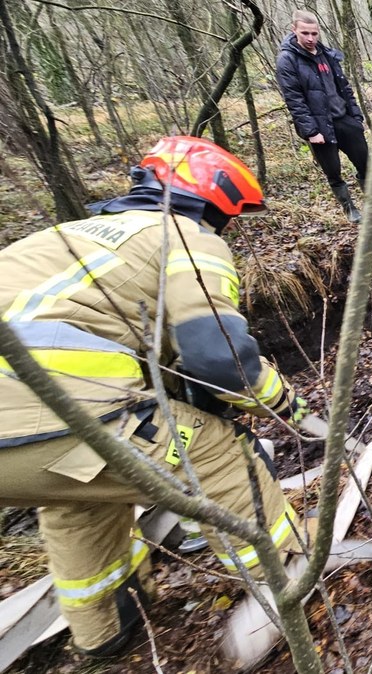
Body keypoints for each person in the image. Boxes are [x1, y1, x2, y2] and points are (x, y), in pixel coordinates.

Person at [0, 136, 307, 657]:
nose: (222, 228)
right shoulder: (184, 237)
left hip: (32, 448)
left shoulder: (58, 238)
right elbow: (221, 360)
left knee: (77, 497)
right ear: (210, 201)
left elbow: (159, 367)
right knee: (222, 454)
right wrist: (281, 405)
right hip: (60, 411)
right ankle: (289, 582)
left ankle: (101, 632)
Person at [277, 9, 371, 223]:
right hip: (320, 127)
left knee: (365, 162)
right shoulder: (287, 60)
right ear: (294, 30)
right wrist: (311, 131)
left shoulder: (326, 54)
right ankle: (350, 209)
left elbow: (345, 88)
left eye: (314, 33)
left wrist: (356, 117)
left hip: (345, 119)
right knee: (333, 171)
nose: (310, 38)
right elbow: (294, 100)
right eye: (305, 33)